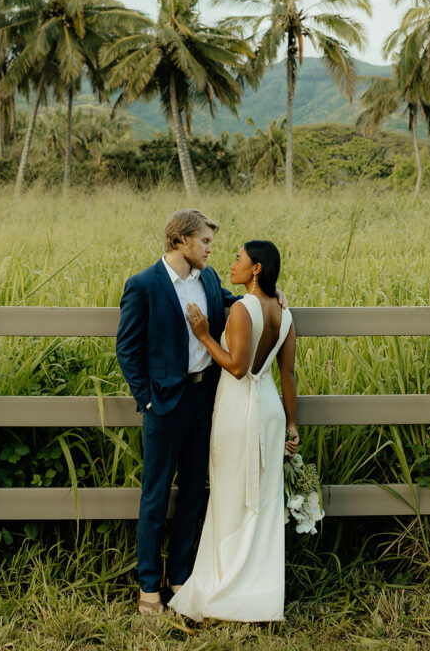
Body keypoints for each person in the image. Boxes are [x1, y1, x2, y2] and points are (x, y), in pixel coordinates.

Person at [115, 209, 238, 615]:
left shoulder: (210, 279)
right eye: (204, 241)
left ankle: (181, 578)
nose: (209, 248)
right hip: (164, 405)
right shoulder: (144, 285)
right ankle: (148, 587)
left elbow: (229, 307)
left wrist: (266, 297)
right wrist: (148, 400)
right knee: (155, 495)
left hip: (205, 400)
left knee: (192, 491)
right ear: (181, 240)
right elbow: (127, 349)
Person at [169, 239, 299, 622]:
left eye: (239, 259)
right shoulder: (284, 311)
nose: (232, 263)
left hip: (240, 408)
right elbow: (287, 373)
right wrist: (292, 424)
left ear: (256, 268)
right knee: (263, 499)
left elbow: (238, 367)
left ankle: (227, 586)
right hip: (272, 411)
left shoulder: (243, 309)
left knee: (229, 495)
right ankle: (261, 588)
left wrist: (205, 334)